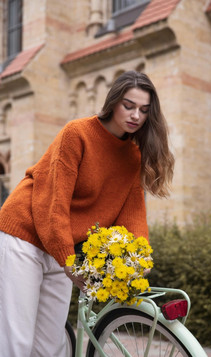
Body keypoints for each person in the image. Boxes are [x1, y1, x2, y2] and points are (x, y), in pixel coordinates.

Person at [0, 70, 174, 356]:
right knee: (16, 340)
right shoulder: (77, 133)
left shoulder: (132, 156)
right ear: (114, 102)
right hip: (26, 234)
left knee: (50, 345)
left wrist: (141, 259)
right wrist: (68, 260)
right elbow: (53, 202)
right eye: (128, 106)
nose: (135, 116)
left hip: (61, 246)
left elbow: (132, 212)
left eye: (144, 110)